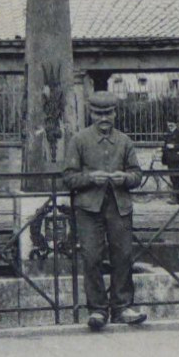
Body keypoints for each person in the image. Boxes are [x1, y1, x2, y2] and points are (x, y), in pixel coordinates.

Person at [62, 91, 148, 331]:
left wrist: (125, 178)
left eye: (108, 113)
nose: (103, 118)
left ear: (115, 113)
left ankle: (122, 308)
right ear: (91, 113)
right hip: (89, 207)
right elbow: (68, 177)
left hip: (119, 207)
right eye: (98, 113)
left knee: (123, 256)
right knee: (91, 257)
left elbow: (138, 175)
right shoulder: (79, 140)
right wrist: (90, 178)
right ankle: (97, 310)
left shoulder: (125, 141)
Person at [160, 120, 179, 203]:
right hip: (169, 159)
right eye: (168, 124)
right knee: (173, 179)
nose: (169, 125)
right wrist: (160, 150)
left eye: (171, 124)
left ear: (176, 124)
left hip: (176, 159)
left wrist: (174, 146)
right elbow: (166, 146)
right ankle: (176, 197)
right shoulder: (168, 134)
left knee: (175, 178)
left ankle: (177, 198)